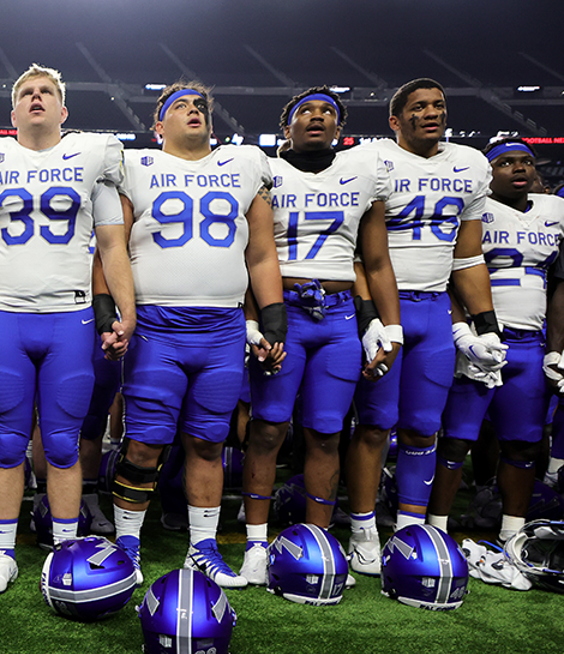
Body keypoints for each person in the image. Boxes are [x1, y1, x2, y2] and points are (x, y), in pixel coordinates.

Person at [0, 64, 134, 595]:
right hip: (4, 317)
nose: (36, 98)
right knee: (9, 443)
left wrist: (124, 313)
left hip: (70, 315)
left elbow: (112, 247)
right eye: (26, 93)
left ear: (63, 110)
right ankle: (4, 553)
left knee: (62, 443)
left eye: (47, 93)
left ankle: (63, 553)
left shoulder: (90, 158)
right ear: (12, 111)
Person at [114, 82, 284, 588]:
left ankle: (202, 548)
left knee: (209, 442)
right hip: (157, 325)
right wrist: (114, 311)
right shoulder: (132, 166)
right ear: (157, 125)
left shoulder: (244, 164)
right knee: (144, 443)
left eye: (200, 106)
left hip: (223, 327)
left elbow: (260, 253)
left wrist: (272, 315)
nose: (193, 112)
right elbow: (113, 247)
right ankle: (127, 544)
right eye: (179, 107)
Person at [237, 87, 401, 584]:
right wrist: (253, 319)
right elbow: (250, 254)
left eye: (327, 111)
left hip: (338, 317)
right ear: (286, 125)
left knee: (328, 432)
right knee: (268, 429)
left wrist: (382, 324)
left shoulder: (363, 174)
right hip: (280, 310)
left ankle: (319, 541)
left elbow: (373, 261)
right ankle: (256, 545)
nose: (316, 117)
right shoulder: (264, 171)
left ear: (339, 126)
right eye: (305, 110)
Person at [344, 79, 499, 574]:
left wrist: (486, 326)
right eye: (418, 107)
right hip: (384, 306)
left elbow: (468, 256)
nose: (431, 113)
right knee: (374, 425)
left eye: (438, 105)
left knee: (422, 429)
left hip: (434, 307)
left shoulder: (470, 164)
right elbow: (355, 251)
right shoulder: (372, 161)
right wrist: (370, 317)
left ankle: (410, 531)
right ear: (395, 120)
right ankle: (363, 529)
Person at [431, 137, 563, 542]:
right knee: (456, 442)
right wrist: (462, 333)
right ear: (488, 174)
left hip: (529, 343)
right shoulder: (474, 213)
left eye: (526, 161)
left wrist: (556, 347)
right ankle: (436, 528)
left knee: (524, 444)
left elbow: (560, 284)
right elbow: (448, 277)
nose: (519, 168)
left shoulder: (554, 210)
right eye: (506, 162)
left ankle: (513, 534)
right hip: (480, 343)